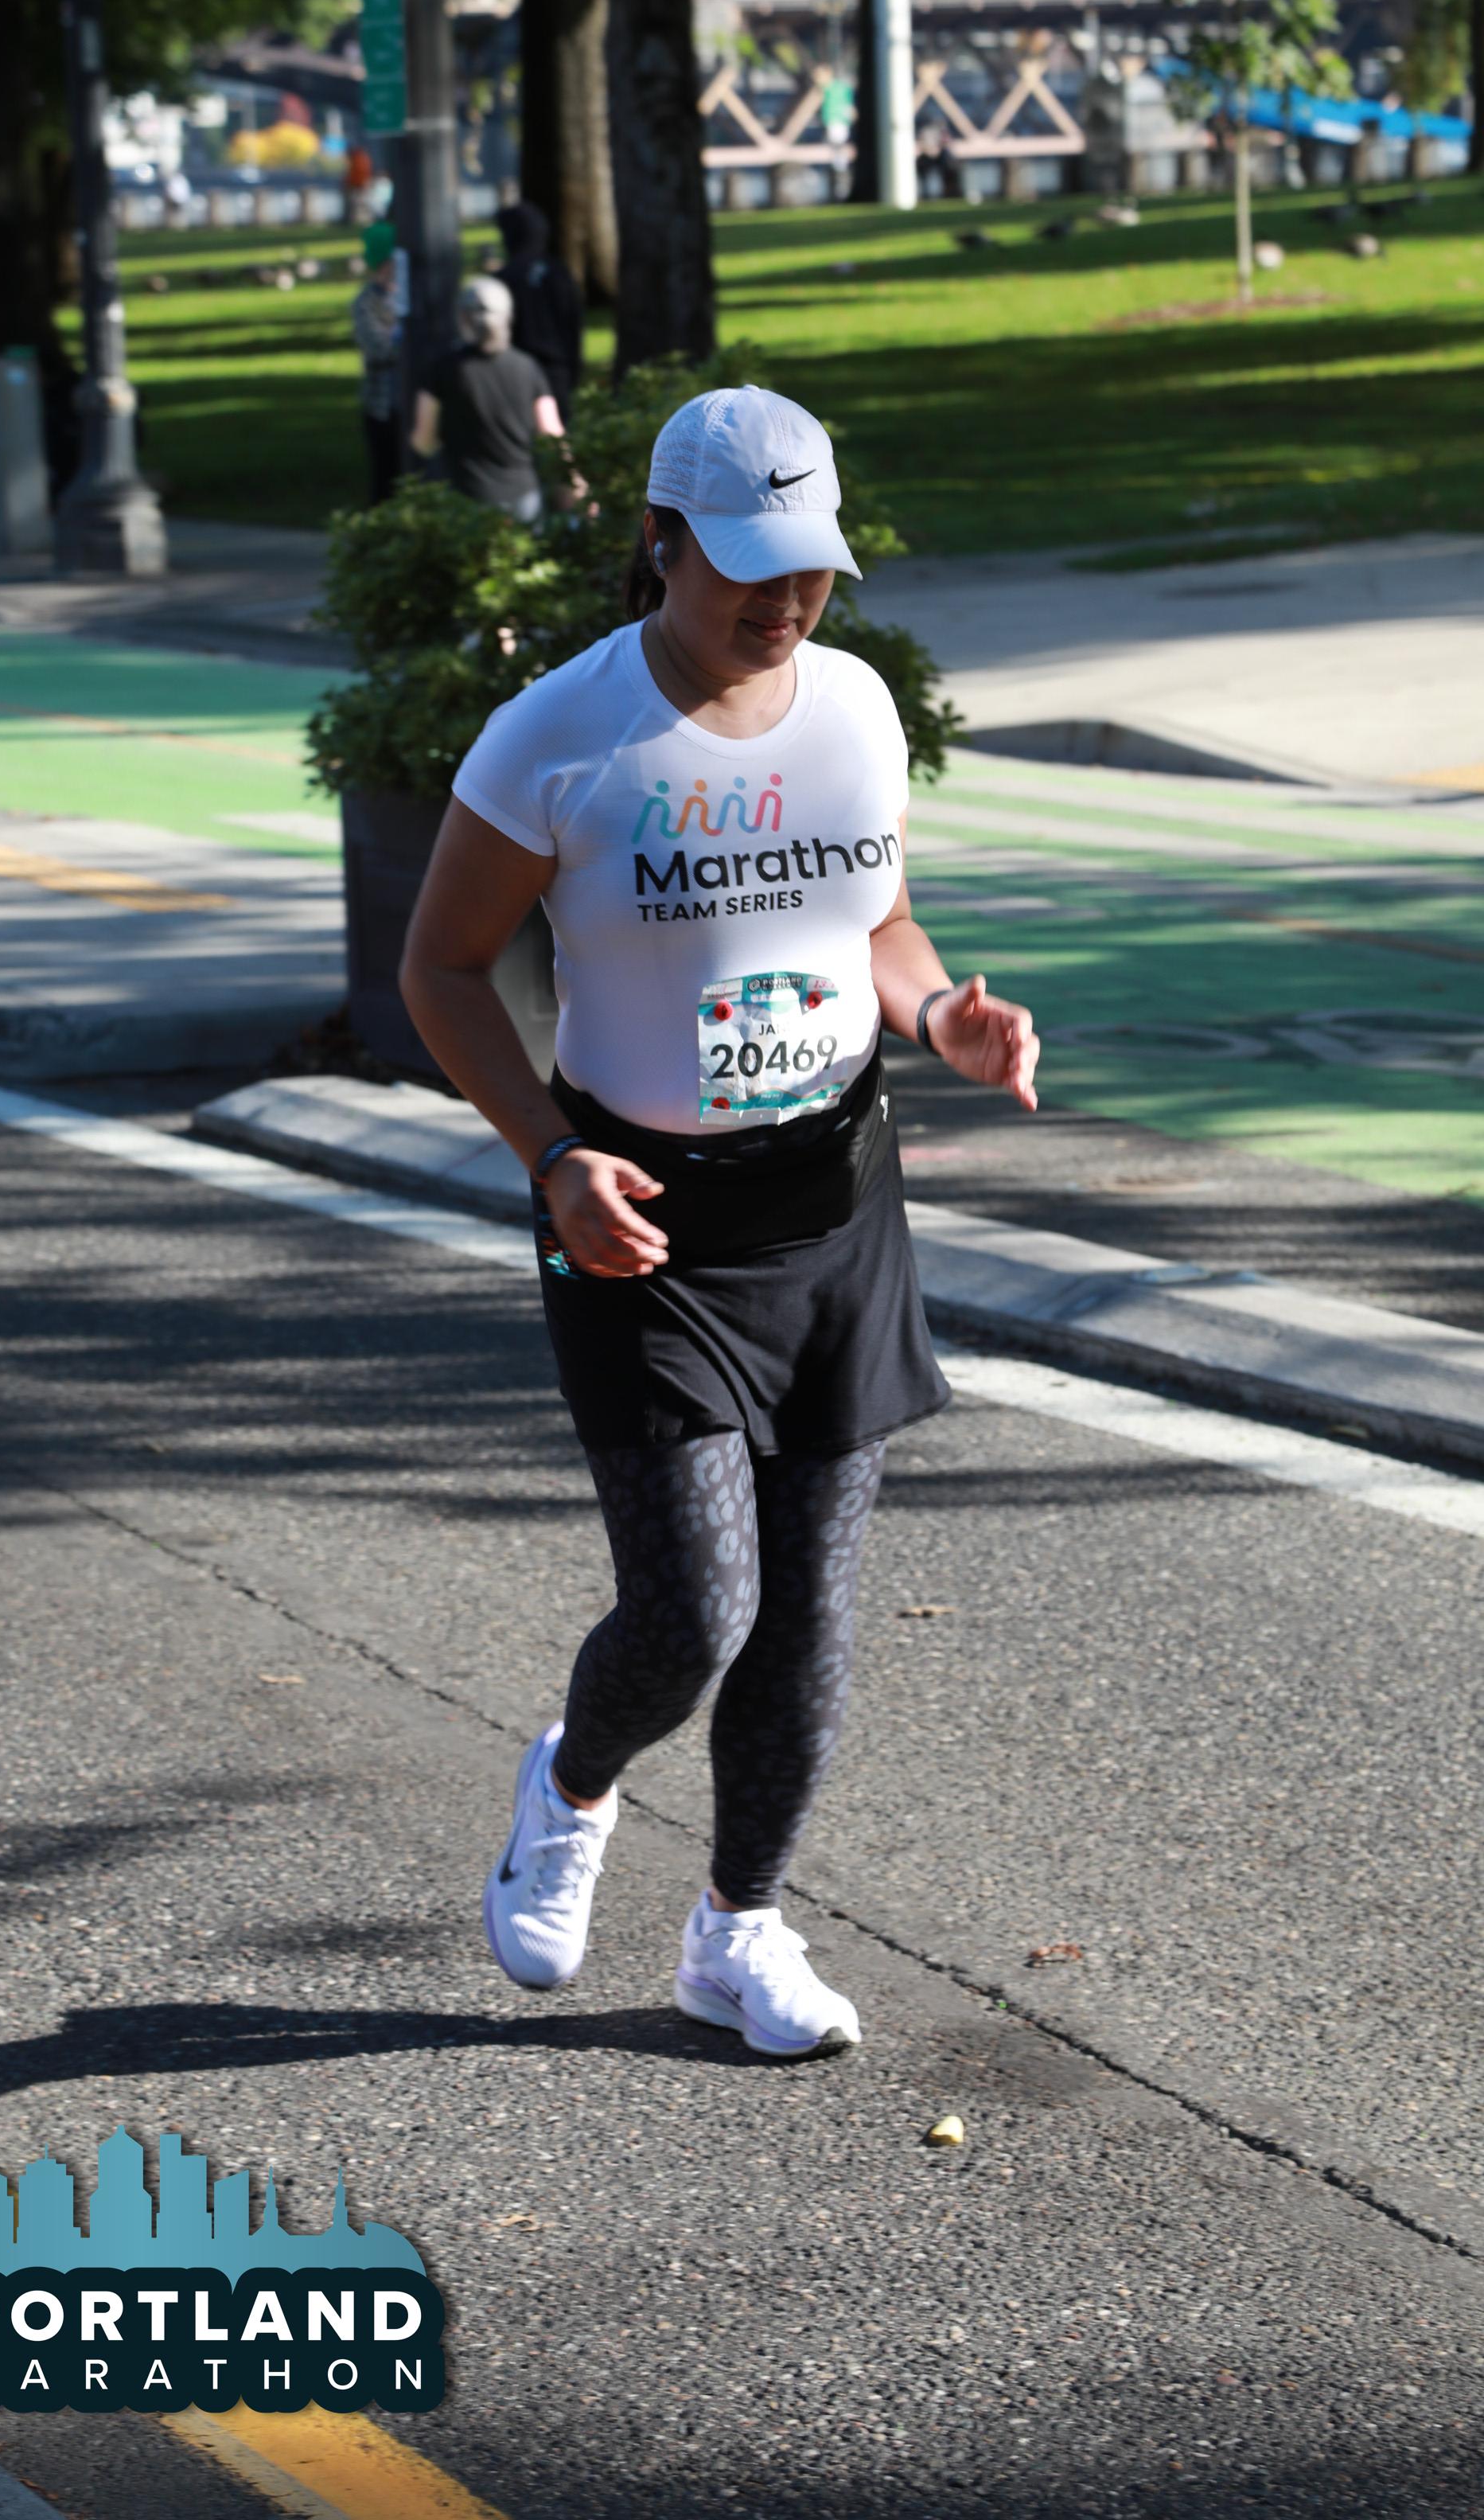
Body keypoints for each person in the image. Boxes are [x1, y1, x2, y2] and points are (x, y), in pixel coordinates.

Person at [399, 385, 1040, 2059]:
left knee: (808, 1619)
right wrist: (550, 1156)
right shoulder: (556, 736)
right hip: (630, 1214)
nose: (787, 598)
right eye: (752, 565)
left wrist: (938, 1018)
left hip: (834, 1203)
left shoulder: (856, 710)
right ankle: (572, 1785)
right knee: (694, 1613)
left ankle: (737, 1933)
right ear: (661, 542)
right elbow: (441, 969)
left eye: (810, 564)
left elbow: (878, 923)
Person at [411, 276, 565, 520]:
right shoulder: (528, 367)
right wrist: (574, 486)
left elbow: (423, 440)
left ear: (463, 318)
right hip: (524, 496)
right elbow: (552, 434)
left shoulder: (443, 369)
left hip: (467, 496)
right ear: (508, 316)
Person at [495, 200, 583, 419]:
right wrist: (574, 369)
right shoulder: (558, 271)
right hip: (557, 370)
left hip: (516, 372)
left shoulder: (505, 278)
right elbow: (574, 323)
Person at [351, 220, 403, 507]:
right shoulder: (366, 302)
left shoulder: (409, 296)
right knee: (386, 476)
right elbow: (377, 349)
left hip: (412, 401)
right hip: (383, 403)